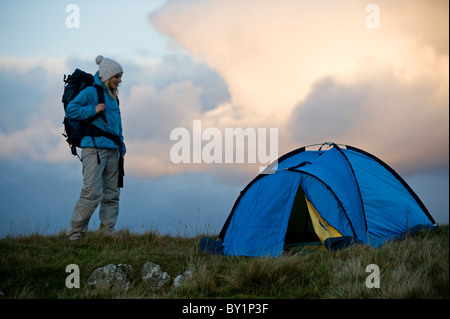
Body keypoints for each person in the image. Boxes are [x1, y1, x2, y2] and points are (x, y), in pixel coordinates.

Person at [66, 55, 126, 240]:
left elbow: (118, 125)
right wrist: (93, 110)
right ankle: (75, 235)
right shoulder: (91, 92)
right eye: (117, 76)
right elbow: (71, 109)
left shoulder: (113, 96)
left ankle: (107, 233)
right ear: (107, 76)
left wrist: (122, 147)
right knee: (91, 193)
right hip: (94, 149)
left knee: (112, 194)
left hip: (113, 151)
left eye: (120, 76)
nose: (119, 80)